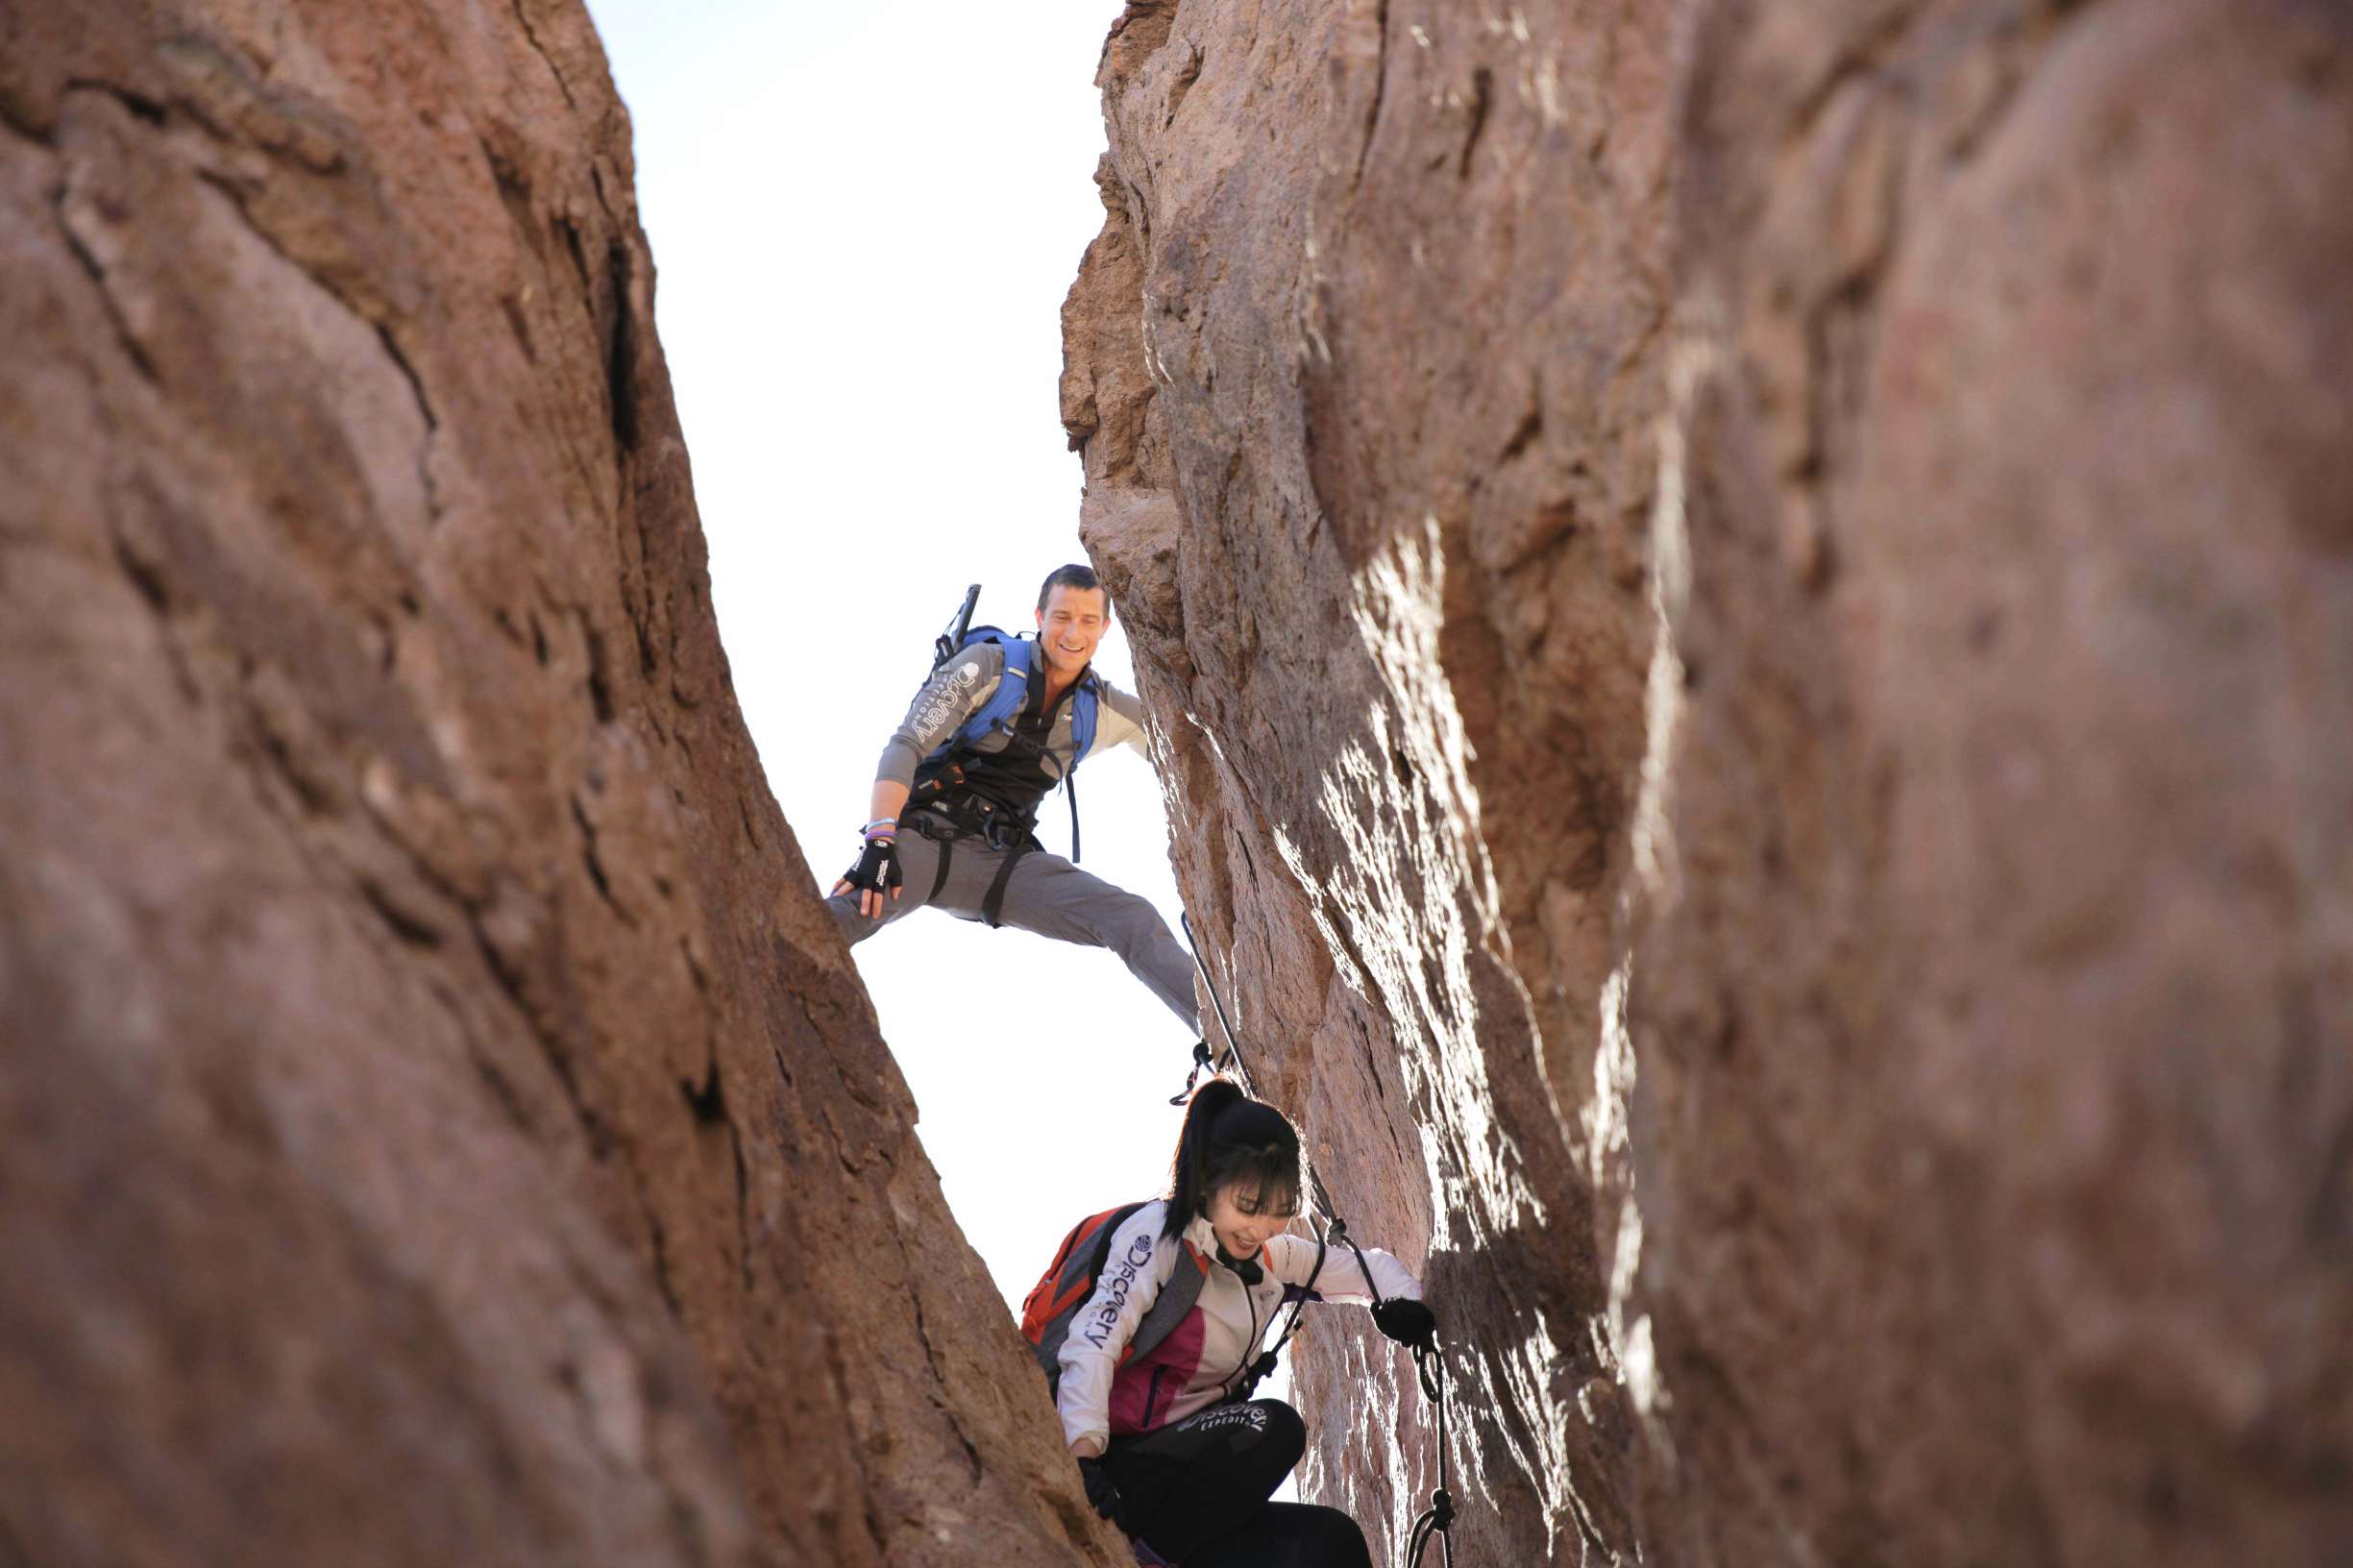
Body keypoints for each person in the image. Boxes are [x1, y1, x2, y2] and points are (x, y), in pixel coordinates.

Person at [1050, 1078, 1438, 1567]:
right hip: (1119, 1472)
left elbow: (1368, 1269)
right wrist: (1083, 1458)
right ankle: (1147, 1560)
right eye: (1249, 1207)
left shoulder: (1269, 1257)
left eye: (1280, 1212)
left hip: (1189, 1499)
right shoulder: (1158, 1237)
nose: (1260, 1228)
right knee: (1273, 1427)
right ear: (1208, 1184)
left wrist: (1404, 1307)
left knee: (1333, 1541)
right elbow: (1093, 1342)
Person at [827, 564, 1199, 1029]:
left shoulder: (1103, 709)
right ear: (1040, 616)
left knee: (1131, 917)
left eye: (1087, 620)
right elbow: (906, 744)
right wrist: (880, 842)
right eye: (1062, 617)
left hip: (1002, 865)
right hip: (921, 842)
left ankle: (1227, 1046)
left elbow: (1192, 748)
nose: (1073, 632)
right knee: (844, 916)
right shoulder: (985, 666)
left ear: (1104, 628)